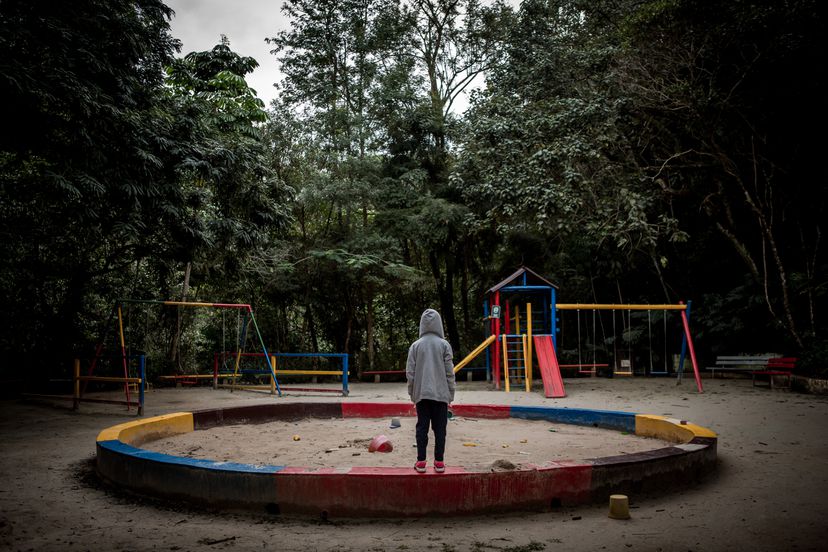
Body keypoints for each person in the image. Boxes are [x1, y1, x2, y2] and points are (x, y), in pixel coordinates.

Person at [406, 308, 456, 473]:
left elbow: (410, 373)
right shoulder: (444, 345)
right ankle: (439, 462)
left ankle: (421, 462)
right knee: (440, 429)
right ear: (439, 324)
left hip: (421, 395)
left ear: (422, 325)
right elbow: (450, 372)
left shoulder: (415, 346)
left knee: (422, 428)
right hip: (441, 395)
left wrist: (412, 394)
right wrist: (450, 394)